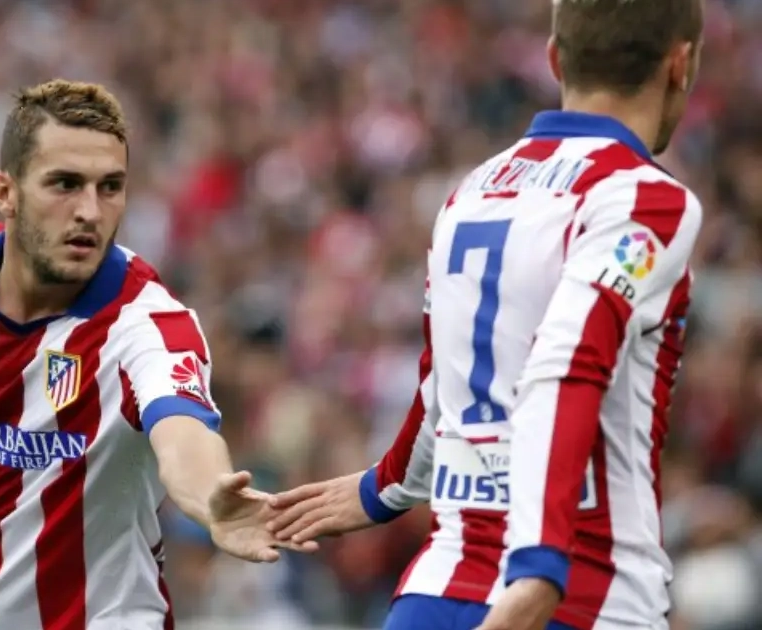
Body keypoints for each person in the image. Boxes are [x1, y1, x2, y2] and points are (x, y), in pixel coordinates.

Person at [267, 1, 705, 629]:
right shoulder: (645, 199)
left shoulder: (473, 190)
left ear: (555, 59)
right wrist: (539, 567)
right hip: (579, 596)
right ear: (680, 64)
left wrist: (382, 489)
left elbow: (440, 382)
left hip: (432, 595)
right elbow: (566, 365)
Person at [0, 79, 313, 630]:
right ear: (5, 192)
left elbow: (183, 435)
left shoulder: (149, 325)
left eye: (110, 187)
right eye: (65, 184)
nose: (90, 210)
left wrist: (211, 499)